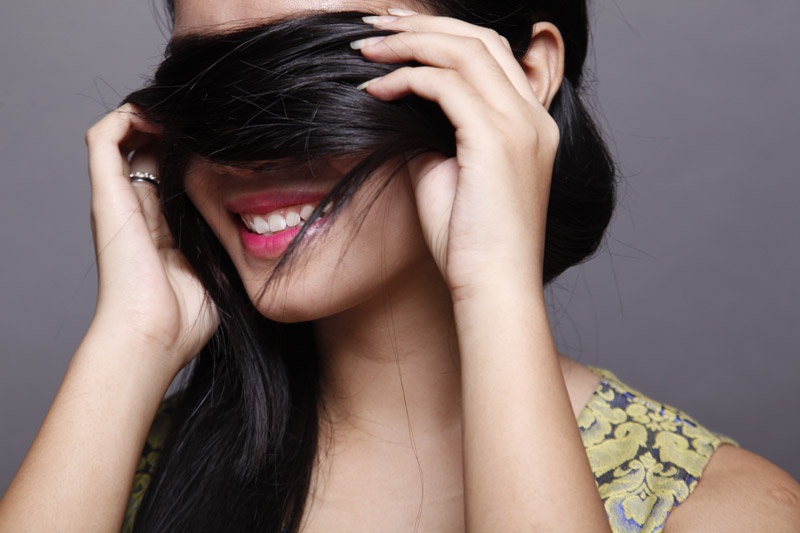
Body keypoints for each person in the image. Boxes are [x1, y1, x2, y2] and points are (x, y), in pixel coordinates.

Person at [1, 0, 798, 531]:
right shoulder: (113, 473)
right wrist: (133, 339)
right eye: (209, 96)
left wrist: (495, 285)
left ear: (521, 79)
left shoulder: (721, 510)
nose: (246, 155)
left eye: (315, 79)